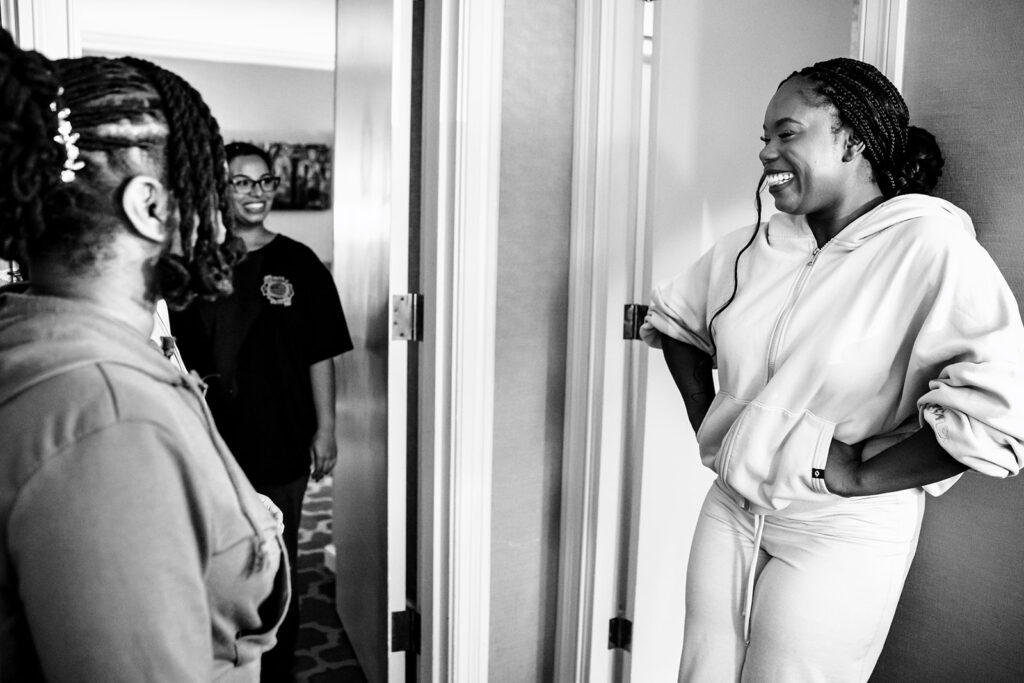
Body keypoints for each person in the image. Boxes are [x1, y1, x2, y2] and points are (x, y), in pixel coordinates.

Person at [641, 57, 1024, 682]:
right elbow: (676, 322)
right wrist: (708, 417)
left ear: (854, 139)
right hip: (731, 507)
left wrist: (861, 479)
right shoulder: (752, 245)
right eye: (764, 138)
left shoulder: (930, 247)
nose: (766, 153)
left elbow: (999, 418)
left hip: (839, 526)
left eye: (786, 133)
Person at [0, 29, 289, 682]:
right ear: (152, 207)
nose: (220, 216)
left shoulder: (60, 346)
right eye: (202, 182)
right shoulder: (109, 425)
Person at [170, 141, 353, 681]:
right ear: (220, 188)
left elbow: (321, 351)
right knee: (212, 556)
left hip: (282, 433)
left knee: (275, 562)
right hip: (208, 439)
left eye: (265, 180)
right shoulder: (195, 262)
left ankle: (277, 668)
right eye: (242, 181)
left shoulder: (300, 264)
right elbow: (171, 346)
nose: (256, 192)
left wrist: (327, 429)